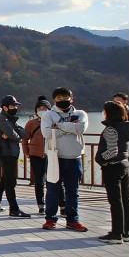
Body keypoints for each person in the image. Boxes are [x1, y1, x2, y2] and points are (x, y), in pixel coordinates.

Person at [41, 87, 88, 233]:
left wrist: (59, 126)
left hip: (74, 157)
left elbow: (81, 129)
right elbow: (47, 132)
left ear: (71, 98)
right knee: (52, 189)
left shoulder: (80, 113)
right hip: (55, 157)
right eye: (59, 99)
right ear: (54, 100)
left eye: (65, 98)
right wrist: (70, 127)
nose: (63, 101)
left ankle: (73, 220)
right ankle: (50, 219)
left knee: (73, 190)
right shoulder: (48, 114)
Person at [0, 95, 31, 218]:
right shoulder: (2, 118)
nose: (16, 108)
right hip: (5, 153)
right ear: (5, 107)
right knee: (10, 181)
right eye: (13, 106)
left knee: (5, 180)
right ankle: (14, 209)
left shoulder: (11, 119)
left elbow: (24, 133)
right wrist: (15, 134)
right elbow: (16, 136)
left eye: (16, 106)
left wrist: (14, 133)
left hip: (10, 153)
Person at [96, 101, 129, 244]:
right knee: (125, 199)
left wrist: (100, 158)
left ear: (108, 113)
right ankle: (126, 232)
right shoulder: (127, 127)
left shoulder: (111, 129)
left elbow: (112, 151)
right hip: (125, 165)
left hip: (112, 167)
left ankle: (116, 234)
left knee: (115, 201)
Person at [22, 97, 51, 213]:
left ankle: (60, 205)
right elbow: (24, 139)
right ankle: (41, 205)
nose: (42, 110)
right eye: (40, 108)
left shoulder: (53, 121)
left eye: (45, 108)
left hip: (51, 155)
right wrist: (26, 152)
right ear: (36, 110)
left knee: (53, 181)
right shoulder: (31, 123)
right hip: (35, 155)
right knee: (39, 181)